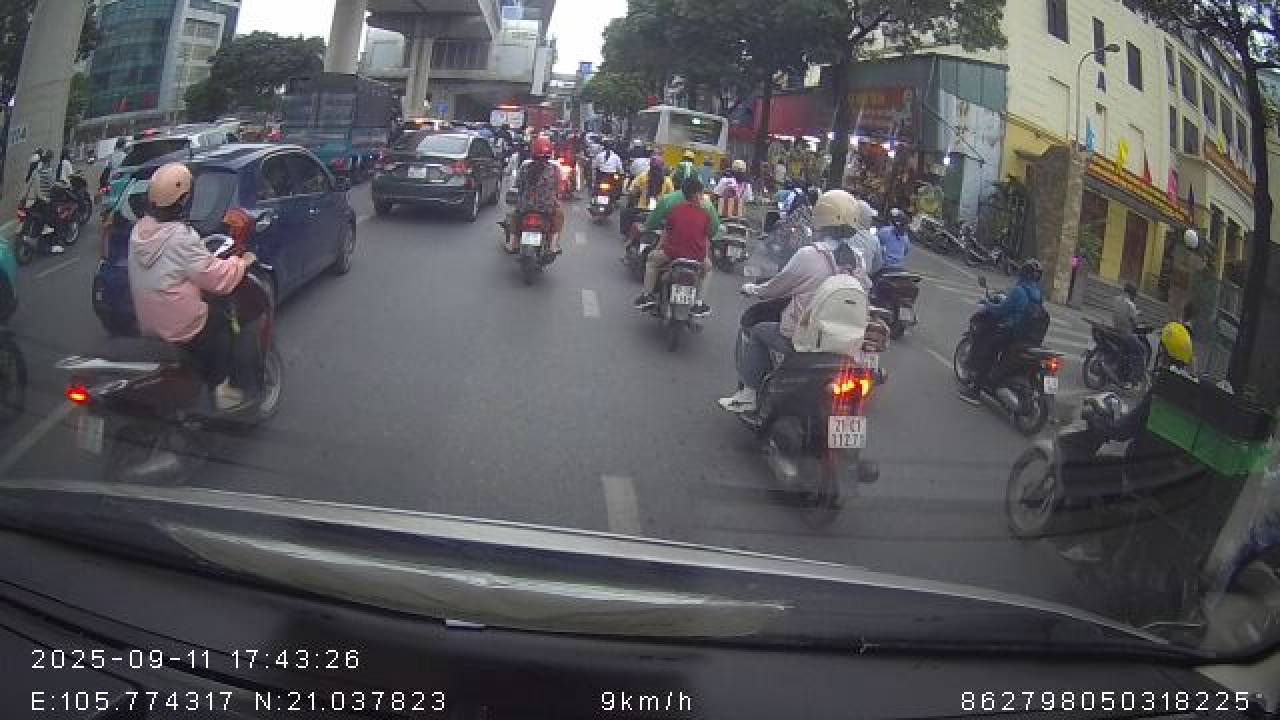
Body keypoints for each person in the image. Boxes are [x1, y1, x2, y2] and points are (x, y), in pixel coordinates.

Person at [717, 190, 863, 414]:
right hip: (845, 345)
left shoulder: (809, 255)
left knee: (758, 332)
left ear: (820, 218)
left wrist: (753, 289)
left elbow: (777, 287)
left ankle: (749, 394)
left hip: (805, 339)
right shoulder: (857, 261)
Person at [128, 162, 257, 411]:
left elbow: (172, 265)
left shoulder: (140, 231)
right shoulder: (180, 237)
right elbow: (217, 279)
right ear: (184, 199)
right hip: (180, 325)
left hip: (148, 321)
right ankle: (222, 389)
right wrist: (241, 263)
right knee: (222, 325)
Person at [958, 259, 1045, 405]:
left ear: (1023, 273)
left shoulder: (1019, 291)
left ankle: (975, 392)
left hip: (1012, 332)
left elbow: (1001, 311)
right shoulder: (1038, 293)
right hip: (1027, 336)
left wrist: (987, 304)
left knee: (988, 351)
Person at [634, 177, 714, 317]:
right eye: (702, 193)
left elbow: (666, 233)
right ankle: (699, 303)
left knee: (651, 261)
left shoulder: (676, 211)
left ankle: (647, 296)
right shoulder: (705, 214)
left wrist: (657, 248)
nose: (703, 196)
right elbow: (706, 239)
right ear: (696, 195)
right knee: (708, 270)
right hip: (697, 257)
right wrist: (705, 256)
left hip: (673, 254)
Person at [503, 135, 564, 255]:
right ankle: (553, 246)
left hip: (525, 206)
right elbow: (558, 187)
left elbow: (518, 184)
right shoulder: (554, 169)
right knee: (559, 215)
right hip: (547, 207)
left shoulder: (525, 166)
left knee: (515, 215)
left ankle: (513, 243)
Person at [22, 149, 64, 255]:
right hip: (46, 202)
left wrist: (23, 198)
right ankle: (55, 245)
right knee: (58, 221)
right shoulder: (49, 172)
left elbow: (28, 186)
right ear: (49, 161)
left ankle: (33, 236)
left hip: (36, 201)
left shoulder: (35, 172)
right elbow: (52, 186)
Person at [623, 156, 673, 239]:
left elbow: (633, 192)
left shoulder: (643, 176)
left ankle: (627, 235)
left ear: (650, 166)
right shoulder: (667, 180)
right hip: (658, 212)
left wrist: (633, 197)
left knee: (625, 212)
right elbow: (671, 197)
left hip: (642, 209)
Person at [876, 208, 912, 272]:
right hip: (883, 267)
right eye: (903, 224)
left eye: (906, 224)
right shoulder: (885, 232)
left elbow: (905, 253)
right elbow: (875, 245)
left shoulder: (906, 240)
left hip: (897, 269)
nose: (905, 227)